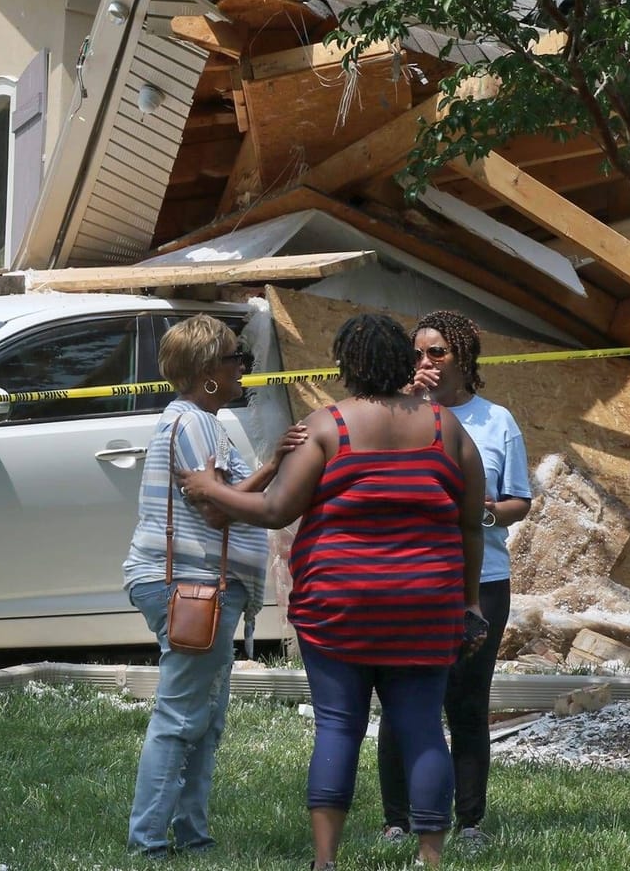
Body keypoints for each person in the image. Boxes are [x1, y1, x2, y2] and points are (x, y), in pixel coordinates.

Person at [179, 313, 486, 870]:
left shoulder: (329, 426)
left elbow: (276, 509)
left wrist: (209, 488)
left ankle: (324, 861)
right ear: (402, 362)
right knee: (421, 726)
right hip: (426, 603)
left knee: (339, 726)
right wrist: (468, 602)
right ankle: (431, 857)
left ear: (347, 366)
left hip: (338, 603)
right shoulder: (448, 428)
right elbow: (470, 524)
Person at [121, 314, 307, 859]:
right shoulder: (194, 424)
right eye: (236, 360)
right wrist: (274, 464)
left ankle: (192, 837)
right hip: (190, 584)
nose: (244, 371)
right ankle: (150, 843)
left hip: (202, 585)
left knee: (205, 718)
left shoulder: (200, 420)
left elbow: (217, 499)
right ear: (207, 371)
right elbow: (218, 509)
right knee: (181, 717)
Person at [380, 310, 533, 852]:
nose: (426, 363)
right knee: (404, 700)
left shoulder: (497, 421)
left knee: (467, 704)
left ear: (465, 357)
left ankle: (470, 822)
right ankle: (396, 819)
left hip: (483, 578)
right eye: (418, 353)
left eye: (437, 352)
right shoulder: (395, 413)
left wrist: (480, 513)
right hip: (411, 579)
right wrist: (405, 401)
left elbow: (519, 501)